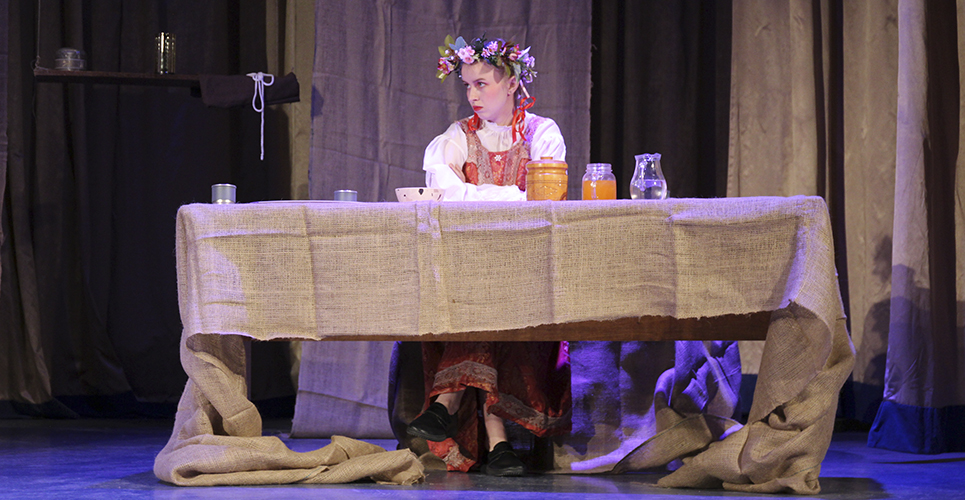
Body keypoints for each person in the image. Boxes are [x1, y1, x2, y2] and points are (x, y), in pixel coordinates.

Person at [406, 35, 571, 476]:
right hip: (469, 267)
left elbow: (544, 197)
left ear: (512, 82)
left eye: (482, 83)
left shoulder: (542, 133)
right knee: (483, 300)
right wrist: (513, 194)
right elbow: (444, 193)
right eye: (467, 85)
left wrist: (478, 194)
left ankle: (447, 405)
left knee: (494, 302)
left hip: (530, 271)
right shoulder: (456, 137)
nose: (473, 95)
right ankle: (498, 446)